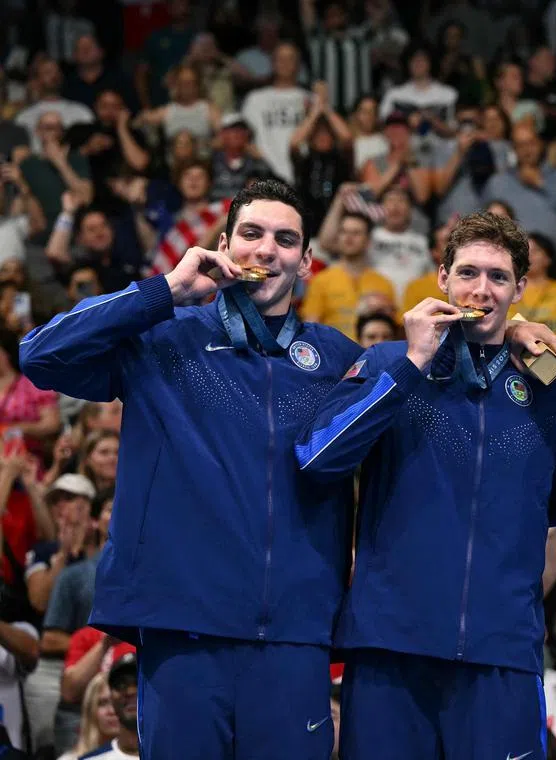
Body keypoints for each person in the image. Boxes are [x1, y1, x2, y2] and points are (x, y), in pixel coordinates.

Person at [19, 179, 364, 760]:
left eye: (285, 239)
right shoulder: (161, 338)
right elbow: (39, 354)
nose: (266, 250)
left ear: (305, 262)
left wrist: (505, 339)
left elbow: (420, 391)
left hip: (293, 638)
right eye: (251, 234)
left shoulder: (336, 359)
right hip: (184, 631)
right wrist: (166, 290)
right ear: (224, 245)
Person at [295, 212, 556, 759]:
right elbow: (318, 458)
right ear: (441, 278)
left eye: (498, 277)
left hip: (501, 651)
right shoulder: (388, 362)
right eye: (468, 273)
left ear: (520, 288)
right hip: (391, 648)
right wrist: (415, 362)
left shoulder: (547, 381)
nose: (481, 289)